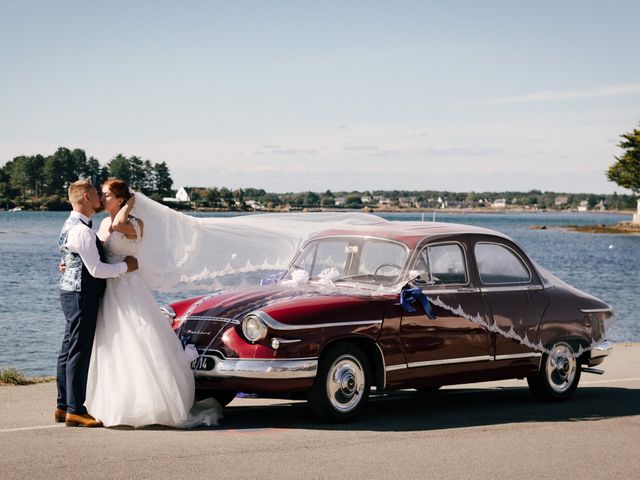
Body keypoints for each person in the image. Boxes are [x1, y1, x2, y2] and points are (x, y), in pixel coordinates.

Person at [84, 179, 221, 428]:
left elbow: (118, 225)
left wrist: (130, 204)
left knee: (136, 340)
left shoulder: (135, 223)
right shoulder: (103, 222)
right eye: (102, 195)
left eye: (105, 195)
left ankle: (150, 404)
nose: (101, 199)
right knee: (112, 343)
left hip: (129, 288)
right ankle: (115, 403)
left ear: (120, 199)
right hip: (110, 289)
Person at [57, 180, 139, 428]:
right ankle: (75, 410)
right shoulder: (82, 231)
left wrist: (69, 264)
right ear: (85, 197)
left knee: (68, 349)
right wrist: (127, 266)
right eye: (96, 195)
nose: (100, 200)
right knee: (78, 353)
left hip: (72, 291)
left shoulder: (73, 225)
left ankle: (63, 406)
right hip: (82, 294)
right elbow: (96, 270)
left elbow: (74, 257)